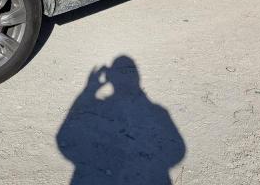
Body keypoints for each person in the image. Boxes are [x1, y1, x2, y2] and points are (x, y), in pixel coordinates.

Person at [57, 56, 186, 184]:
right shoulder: (158, 112)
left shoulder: (100, 109)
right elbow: (179, 151)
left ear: (110, 78)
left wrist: (89, 90)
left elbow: (64, 138)